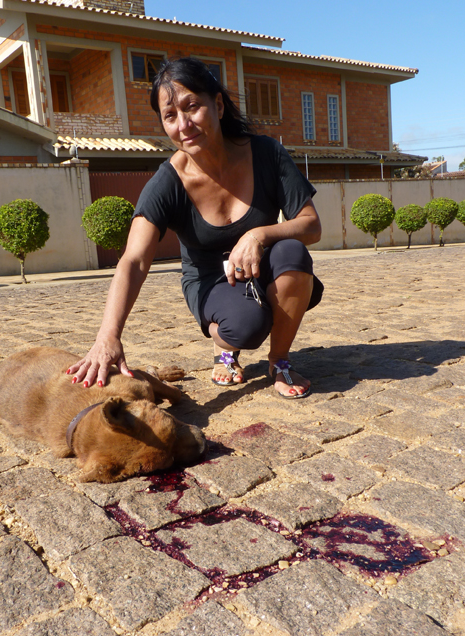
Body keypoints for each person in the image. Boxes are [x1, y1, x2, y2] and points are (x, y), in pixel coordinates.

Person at [68, 57, 323, 398]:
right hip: (210, 281)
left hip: (263, 267)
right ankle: (228, 348)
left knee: (292, 253)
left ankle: (278, 361)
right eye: (170, 115)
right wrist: (107, 336)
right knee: (247, 326)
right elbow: (134, 260)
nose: (184, 124)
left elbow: (311, 225)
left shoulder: (266, 153)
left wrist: (258, 234)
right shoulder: (167, 184)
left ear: (217, 105)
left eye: (192, 107)